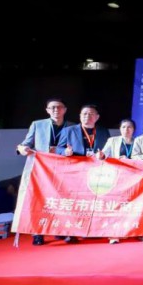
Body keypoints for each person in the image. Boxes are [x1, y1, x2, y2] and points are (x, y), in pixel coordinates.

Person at [16, 98, 75, 245]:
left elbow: (77, 147)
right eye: (52, 107)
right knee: (39, 200)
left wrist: (67, 152)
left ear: (65, 110)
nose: (56, 110)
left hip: (64, 170)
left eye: (59, 107)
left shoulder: (73, 126)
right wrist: (22, 149)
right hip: (42, 170)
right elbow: (25, 144)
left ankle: (60, 230)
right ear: (47, 110)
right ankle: (38, 232)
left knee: (62, 200)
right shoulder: (37, 124)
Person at [56, 104, 111, 244]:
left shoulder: (104, 131)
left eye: (91, 114)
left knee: (92, 202)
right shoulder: (68, 130)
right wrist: (65, 152)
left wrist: (104, 155)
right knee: (74, 203)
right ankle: (70, 231)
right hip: (74, 172)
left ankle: (91, 230)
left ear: (97, 117)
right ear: (80, 116)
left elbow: (108, 151)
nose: (88, 116)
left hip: (96, 172)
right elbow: (58, 149)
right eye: (85, 114)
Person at [101, 119, 138, 244]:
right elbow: (104, 155)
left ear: (134, 129)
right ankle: (114, 233)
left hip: (133, 179)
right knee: (116, 205)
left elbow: (141, 159)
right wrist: (101, 155)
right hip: (117, 178)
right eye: (123, 127)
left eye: (129, 127)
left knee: (131, 206)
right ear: (120, 129)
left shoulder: (138, 141)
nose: (126, 130)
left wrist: (130, 160)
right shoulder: (112, 141)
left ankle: (131, 230)